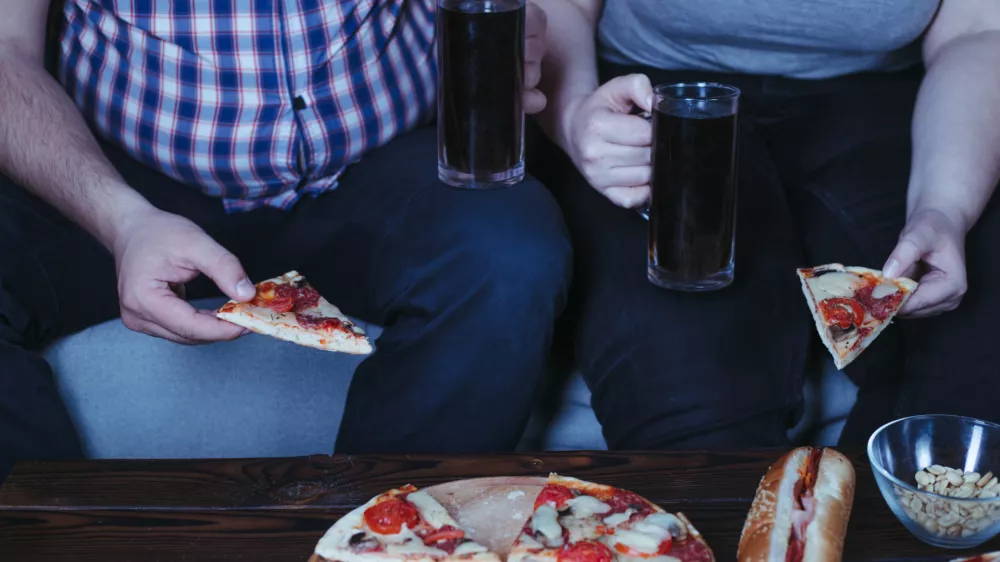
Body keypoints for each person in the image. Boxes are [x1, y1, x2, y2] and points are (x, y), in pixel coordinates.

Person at [0, 0, 570, 470]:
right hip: (128, 184)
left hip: (380, 166)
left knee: (510, 255)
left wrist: (522, 33)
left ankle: (387, 542)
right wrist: (120, 219)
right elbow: (7, 50)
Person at [530, 0, 1000, 448]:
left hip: (893, 99)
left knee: (966, 359)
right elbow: (561, 7)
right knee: (690, 384)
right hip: (657, 95)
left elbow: (979, 30)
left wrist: (945, 205)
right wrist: (575, 115)